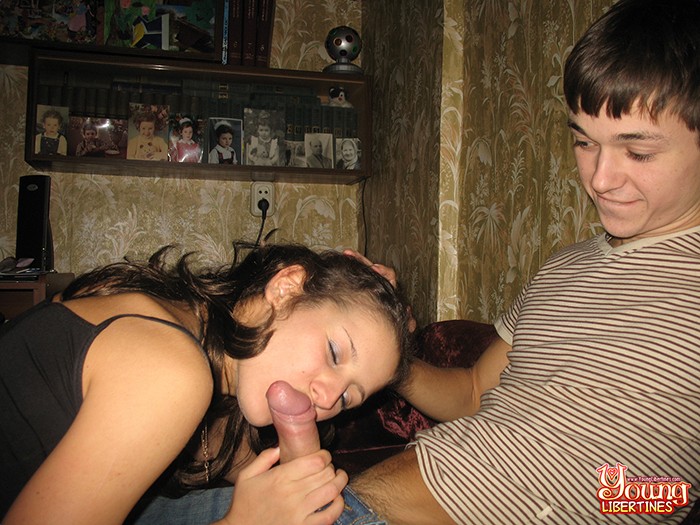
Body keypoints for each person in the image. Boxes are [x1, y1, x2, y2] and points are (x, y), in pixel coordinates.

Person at [337, 0, 700, 523]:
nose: (599, 179)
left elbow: (666, 493)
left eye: (638, 152)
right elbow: (472, 393)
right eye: (583, 141)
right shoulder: (562, 267)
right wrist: (392, 355)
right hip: (349, 502)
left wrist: (628, 499)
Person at [0, 243, 416, 524]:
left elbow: (292, 492)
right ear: (286, 288)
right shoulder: (171, 370)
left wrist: (381, 318)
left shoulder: (222, 394)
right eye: (335, 352)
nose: (327, 396)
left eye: (347, 397)